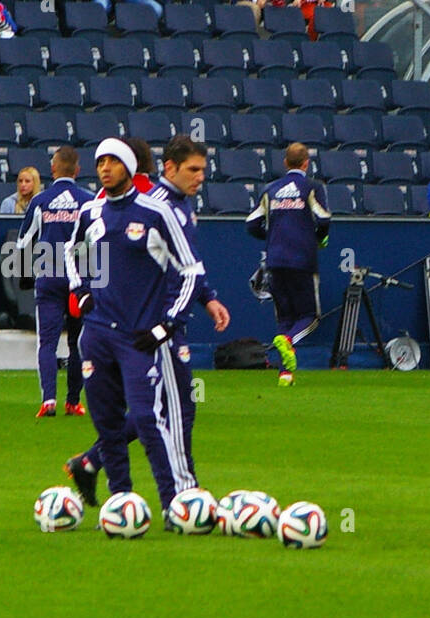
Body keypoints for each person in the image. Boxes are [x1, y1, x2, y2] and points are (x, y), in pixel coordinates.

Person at [64, 136, 231, 508]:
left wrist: (201, 300)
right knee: (160, 411)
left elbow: (188, 266)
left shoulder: (172, 208)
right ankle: (159, 495)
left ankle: (158, 490)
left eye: (204, 170)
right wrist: (83, 292)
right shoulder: (136, 208)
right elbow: (72, 253)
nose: (201, 177)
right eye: (194, 169)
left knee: (164, 410)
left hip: (154, 326)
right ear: (168, 168)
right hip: (133, 328)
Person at [246, 141, 331, 386]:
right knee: (310, 316)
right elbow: (324, 219)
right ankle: (289, 341)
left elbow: (251, 224)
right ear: (306, 163)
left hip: (275, 261)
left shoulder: (270, 189)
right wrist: (317, 238)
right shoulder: (312, 187)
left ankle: (285, 374)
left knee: (285, 318)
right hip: (302, 259)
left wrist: (272, 237)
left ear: (285, 163)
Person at [16, 147, 91, 419]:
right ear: (77, 170)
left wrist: (24, 275)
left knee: (47, 342)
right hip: (79, 282)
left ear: (53, 169)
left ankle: (48, 401)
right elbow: (99, 241)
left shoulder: (40, 201)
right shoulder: (89, 201)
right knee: (77, 342)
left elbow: (23, 242)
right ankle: (73, 402)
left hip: (48, 277)